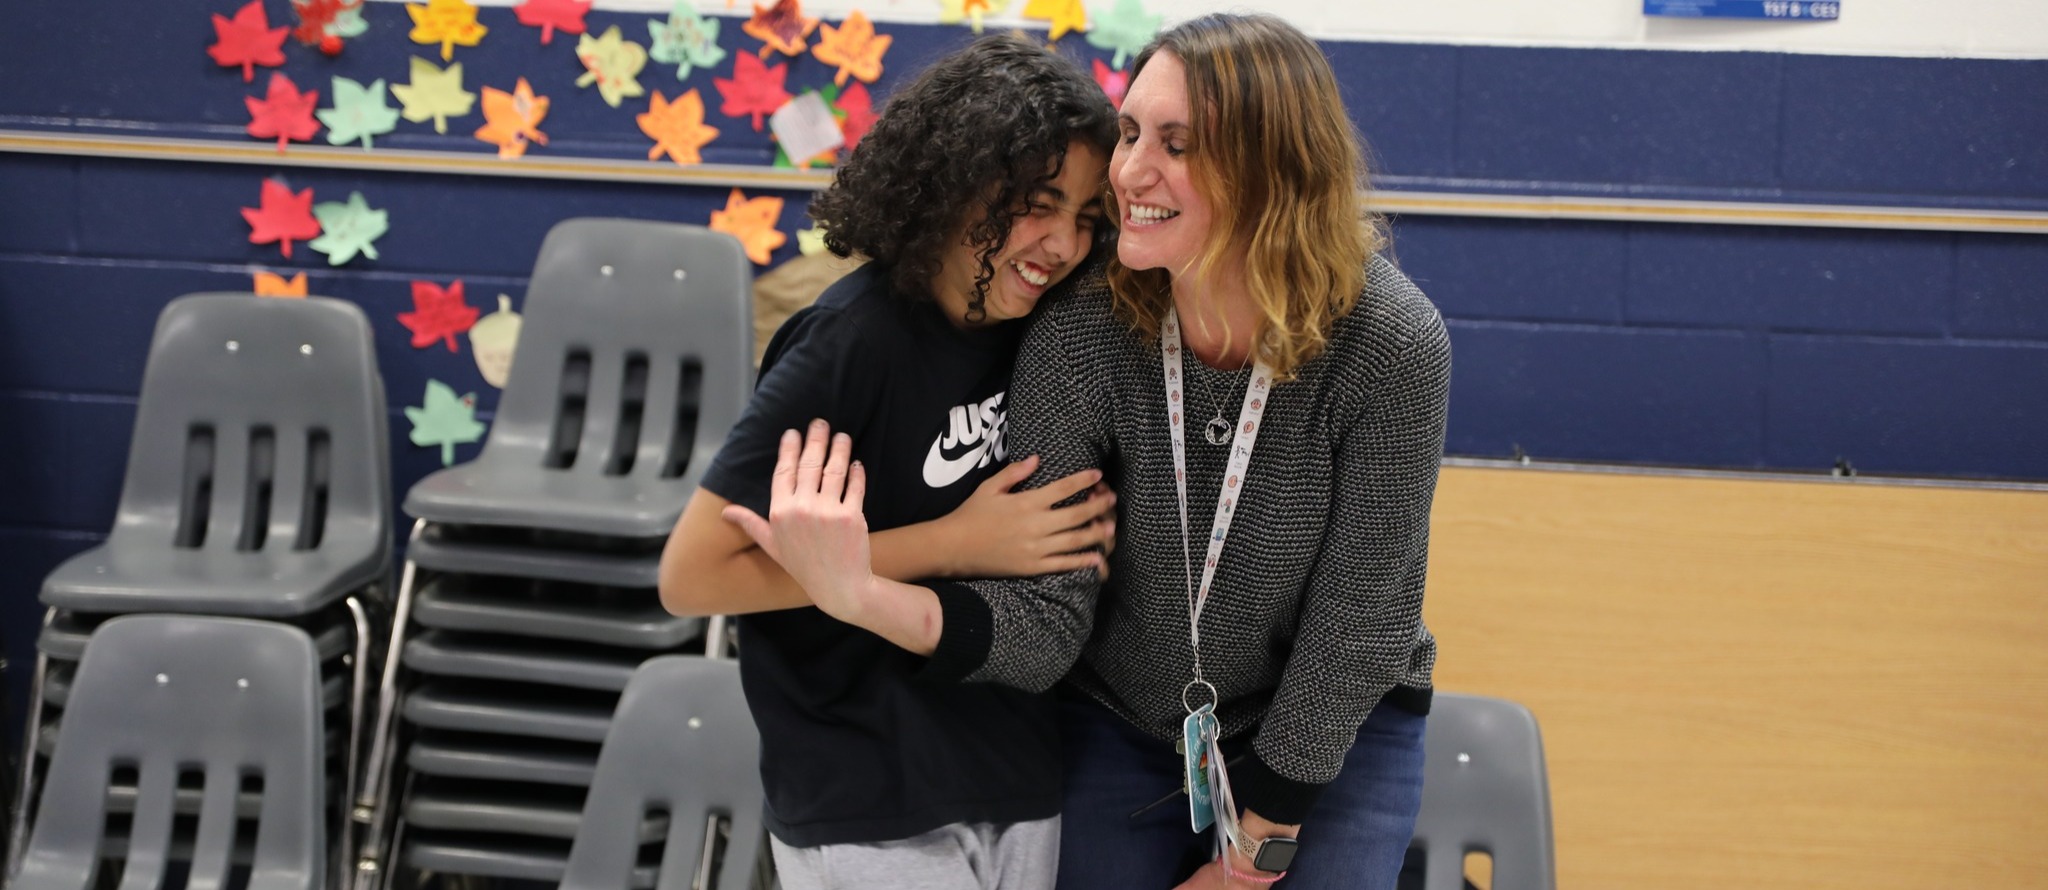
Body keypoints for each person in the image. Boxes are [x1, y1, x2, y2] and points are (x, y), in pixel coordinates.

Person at [732, 13, 1452, 890]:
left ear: (1274, 172)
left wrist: (1248, 861)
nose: (1131, 173)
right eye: (1131, 133)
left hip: (1334, 727)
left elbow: (1360, 627)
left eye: (1179, 145)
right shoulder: (1085, 321)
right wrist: (858, 594)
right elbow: (1042, 624)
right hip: (1127, 716)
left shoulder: (1391, 340)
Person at [657, 34, 1119, 890]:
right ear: (955, 182)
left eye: (1087, 220)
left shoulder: (1048, 337)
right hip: (865, 785)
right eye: (1037, 202)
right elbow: (695, 576)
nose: (1060, 244)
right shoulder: (850, 341)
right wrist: (955, 542)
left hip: (1012, 767)